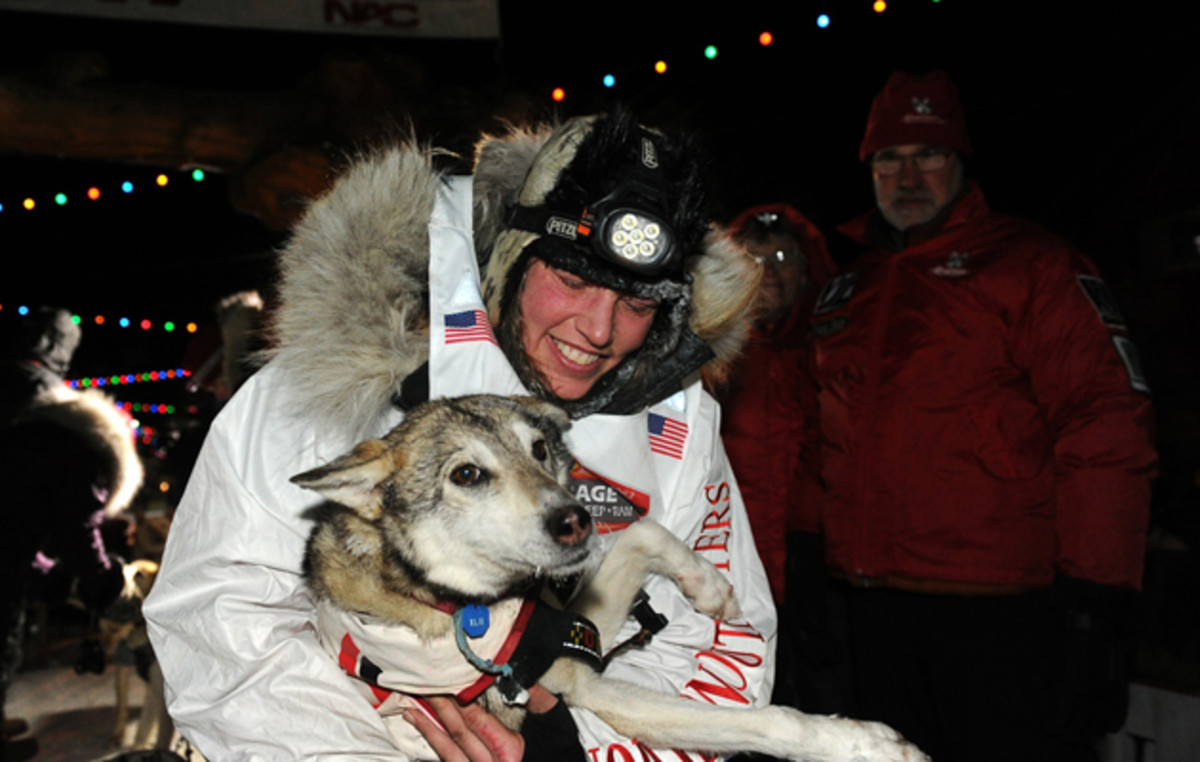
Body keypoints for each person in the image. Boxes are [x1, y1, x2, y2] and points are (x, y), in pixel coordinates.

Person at [144, 111, 777, 761]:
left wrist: (571, 746)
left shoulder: (671, 420)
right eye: (573, 280)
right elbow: (224, 620)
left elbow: (720, 636)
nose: (598, 329)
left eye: (637, 304)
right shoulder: (345, 379)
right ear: (512, 255)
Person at [809, 70, 1158, 762]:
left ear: (961, 162)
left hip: (1003, 615)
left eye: (927, 155)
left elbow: (1107, 427)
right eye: (888, 159)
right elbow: (811, 440)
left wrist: (1097, 603)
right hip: (873, 610)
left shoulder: (1034, 267)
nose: (907, 175)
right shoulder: (850, 287)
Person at [717, 204, 850, 715]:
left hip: (816, 564)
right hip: (729, 558)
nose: (769, 271)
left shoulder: (833, 342)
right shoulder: (707, 351)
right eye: (754, 258)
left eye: (781, 257)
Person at [0, 306, 144, 762]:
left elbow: (11, 525)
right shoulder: (74, 434)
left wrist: (48, 576)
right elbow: (74, 527)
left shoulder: (19, 410)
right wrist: (104, 585)